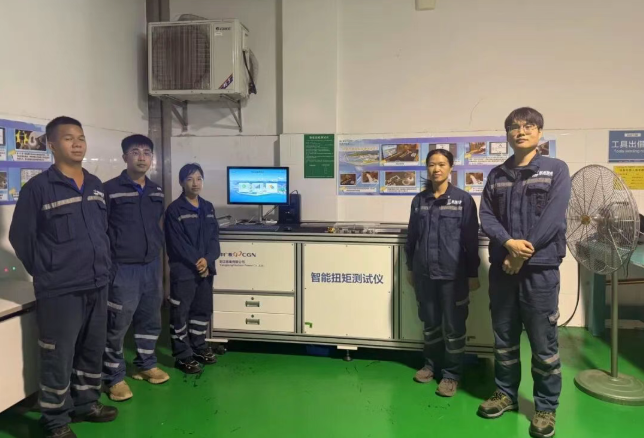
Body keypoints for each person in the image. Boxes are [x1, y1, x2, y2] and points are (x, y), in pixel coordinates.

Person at [9, 116, 118, 438]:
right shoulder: (38, 189)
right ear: (52, 145)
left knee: (91, 349)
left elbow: (102, 230)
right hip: (60, 290)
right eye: (69, 138)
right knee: (57, 355)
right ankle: (55, 420)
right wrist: (49, 269)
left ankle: (87, 403)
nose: (77, 143)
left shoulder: (95, 185)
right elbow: (21, 238)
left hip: (97, 283)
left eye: (81, 137)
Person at [478, 107, 571, 438]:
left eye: (528, 126)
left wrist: (520, 254)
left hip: (539, 271)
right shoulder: (497, 175)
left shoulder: (556, 169)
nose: (520, 131)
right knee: (503, 338)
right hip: (503, 269)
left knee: (543, 344)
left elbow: (553, 217)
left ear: (540, 133)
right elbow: (487, 216)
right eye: (514, 127)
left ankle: (545, 406)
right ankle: (506, 394)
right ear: (507, 134)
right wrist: (508, 243)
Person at [405, 149, 481, 397]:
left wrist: (472, 274)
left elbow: (471, 241)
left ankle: (451, 374)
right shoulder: (419, 201)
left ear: (450, 168)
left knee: (454, 326)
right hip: (425, 274)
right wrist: (410, 267)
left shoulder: (463, 200)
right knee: (430, 323)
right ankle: (430, 365)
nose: (436, 169)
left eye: (441, 164)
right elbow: (412, 238)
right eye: (431, 164)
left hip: (453, 276)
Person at [102, 135, 169, 402]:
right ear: (124, 157)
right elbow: (101, 229)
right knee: (116, 325)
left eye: (146, 153)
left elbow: (156, 225)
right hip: (122, 269)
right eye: (135, 152)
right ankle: (114, 377)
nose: (142, 157)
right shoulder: (109, 189)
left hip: (151, 266)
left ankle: (146, 364)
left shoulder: (156, 191)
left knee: (150, 319)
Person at [164, 163, 220, 374]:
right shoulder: (174, 210)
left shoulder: (208, 207)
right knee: (180, 313)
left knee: (201, 310)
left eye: (198, 178)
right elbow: (177, 243)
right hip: (185, 271)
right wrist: (199, 262)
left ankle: (198, 346)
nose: (195, 183)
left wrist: (208, 259)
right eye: (189, 179)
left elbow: (214, 238)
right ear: (181, 182)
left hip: (206, 270)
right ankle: (182, 355)